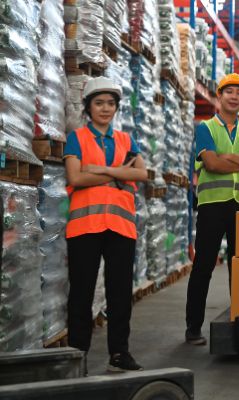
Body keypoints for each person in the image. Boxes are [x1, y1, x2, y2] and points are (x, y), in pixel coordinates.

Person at [64, 76, 149, 372]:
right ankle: (78, 354)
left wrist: (99, 169)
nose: (105, 108)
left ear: (116, 107)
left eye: (110, 103)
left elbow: (142, 175)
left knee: (120, 293)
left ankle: (119, 352)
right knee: (81, 293)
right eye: (99, 103)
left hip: (121, 227)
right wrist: (118, 173)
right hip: (84, 227)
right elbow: (75, 178)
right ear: (88, 107)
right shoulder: (77, 137)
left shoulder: (126, 140)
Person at [185, 73, 239, 345]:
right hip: (213, 205)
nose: (234, 97)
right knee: (204, 265)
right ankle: (193, 327)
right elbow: (212, 164)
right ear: (219, 96)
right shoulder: (206, 128)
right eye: (229, 91)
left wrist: (228, 157)